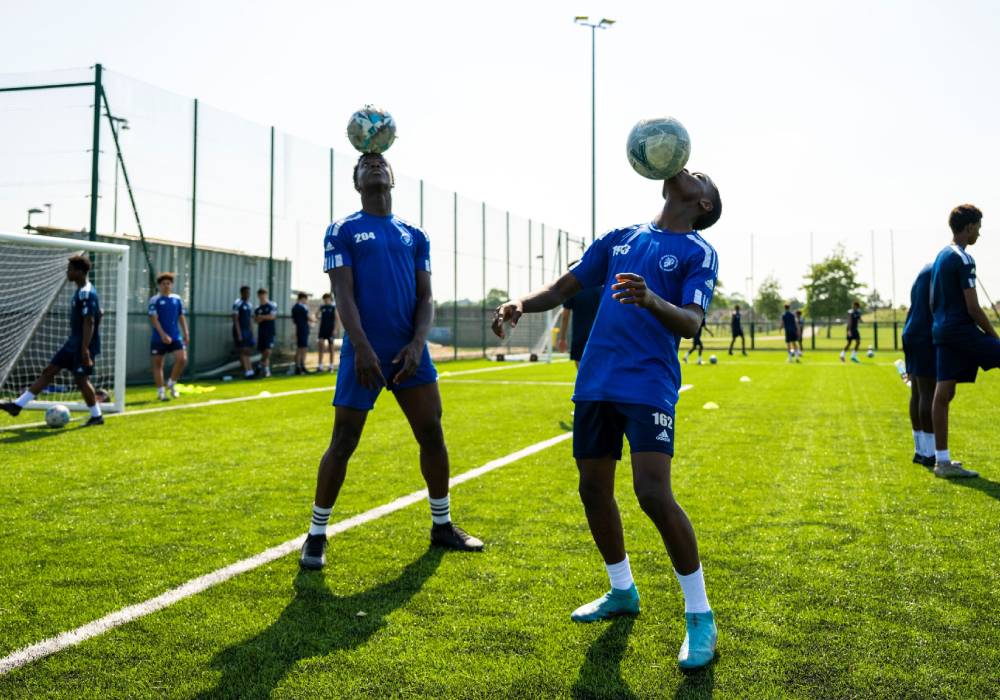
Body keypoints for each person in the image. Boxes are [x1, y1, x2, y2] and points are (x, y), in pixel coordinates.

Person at [492, 167, 722, 670]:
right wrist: (519, 305)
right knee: (593, 490)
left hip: (647, 383)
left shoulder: (699, 252)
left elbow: (691, 321)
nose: (688, 171)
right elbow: (563, 287)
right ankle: (622, 591)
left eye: (700, 176)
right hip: (596, 381)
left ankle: (700, 616)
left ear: (703, 203)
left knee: (652, 494)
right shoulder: (619, 237)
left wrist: (650, 297)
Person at [299, 152, 483, 572]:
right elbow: (342, 294)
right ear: (357, 181)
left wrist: (419, 343)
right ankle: (316, 534)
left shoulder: (414, 235)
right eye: (365, 163)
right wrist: (361, 347)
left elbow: (426, 297)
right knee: (343, 442)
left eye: (381, 162)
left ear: (393, 177)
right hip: (363, 351)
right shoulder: (342, 229)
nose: (375, 165)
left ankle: (442, 526)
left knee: (432, 434)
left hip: (410, 353)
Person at [930, 204, 1000, 478]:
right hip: (960, 331)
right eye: (978, 228)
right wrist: (994, 336)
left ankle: (942, 462)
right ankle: (943, 462)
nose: (979, 234)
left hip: (942, 331)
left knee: (943, 392)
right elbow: (973, 307)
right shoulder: (963, 258)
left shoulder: (941, 255)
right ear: (969, 227)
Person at [1, 256, 105, 426]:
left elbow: (89, 321)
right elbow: (93, 314)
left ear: (79, 272)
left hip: (82, 345)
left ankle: (97, 416)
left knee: (81, 380)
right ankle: (17, 405)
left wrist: (85, 349)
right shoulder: (81, 290)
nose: (67, 272)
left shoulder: (86, 292)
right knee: (49, 371)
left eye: (70, 269)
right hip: (73, 343)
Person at [901, 263, 936, 468]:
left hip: (910, 332)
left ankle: (920, 450)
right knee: (927, 392)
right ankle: (931, 455)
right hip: (924, 334)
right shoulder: (942, 268)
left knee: (917, 392)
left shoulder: (922, 271)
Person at [148, 272, 189, 401]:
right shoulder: (154, 300)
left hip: (175, 336)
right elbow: (154, 319)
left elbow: (181, 316)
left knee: (182, 359)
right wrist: (163, 335)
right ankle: (161, 392)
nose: (166, 285)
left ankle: (171, 383)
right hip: (159, 337)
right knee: (158, 364)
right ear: (159, 285)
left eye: (168, 283)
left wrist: (186, 333)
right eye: (163, 283)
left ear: (171, 285)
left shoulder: (176, 299)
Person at [557, 270, 602, 368]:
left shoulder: (572, 290)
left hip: (580, 335)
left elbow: (565, 315)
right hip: (599, 335)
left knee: (581, 367)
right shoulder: (599, 288)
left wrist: (563, 338)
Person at [254, 288, 277, 378]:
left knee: (268, 351)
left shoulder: (272, 305)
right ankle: (266, 371)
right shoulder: (258, 308)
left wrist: (261, 317)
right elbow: (256, 320)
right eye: (260, 296)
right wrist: (262, 317)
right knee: (264, 351)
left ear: (266, 295)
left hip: (270, 332)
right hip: (261, 332)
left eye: (264, 295)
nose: (262, 297)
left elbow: (272, 316)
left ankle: (260, 364)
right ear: (258, 296)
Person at [232, 286, 255, 379]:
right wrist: (239, 333)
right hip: (240, 330)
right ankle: (247, 371)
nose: (247, 295)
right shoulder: (237, 303)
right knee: (242, 350)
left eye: (248, 293)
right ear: (242, 293)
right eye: (246, 293)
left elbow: (250, 319)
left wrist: (252, 331)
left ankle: (250, 369)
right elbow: (235, 319)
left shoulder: (249, 304)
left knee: (248, 350)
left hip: (247, 331)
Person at [317, 293, 339, 372]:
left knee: (331, 348)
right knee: (320, 346)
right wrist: (318, 316)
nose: (326, 300)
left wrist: (335, 329)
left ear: (330, 299)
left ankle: (331, 366)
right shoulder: (322, 307)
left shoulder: (333, 308)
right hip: (322, 330)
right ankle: (320, 366)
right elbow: (316, 315)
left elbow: (337, 319)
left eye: (327, 299)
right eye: (325, 299)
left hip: (330, 330)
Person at [292, 292, 311, 375]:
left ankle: (298, 366)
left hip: (299, 329)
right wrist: (314, 319)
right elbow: (308, 317)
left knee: (300, 348)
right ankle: (301, 366)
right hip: (302, 329)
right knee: (302, 348)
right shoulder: (302, 307)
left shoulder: (294, 307)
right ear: (302, 298)